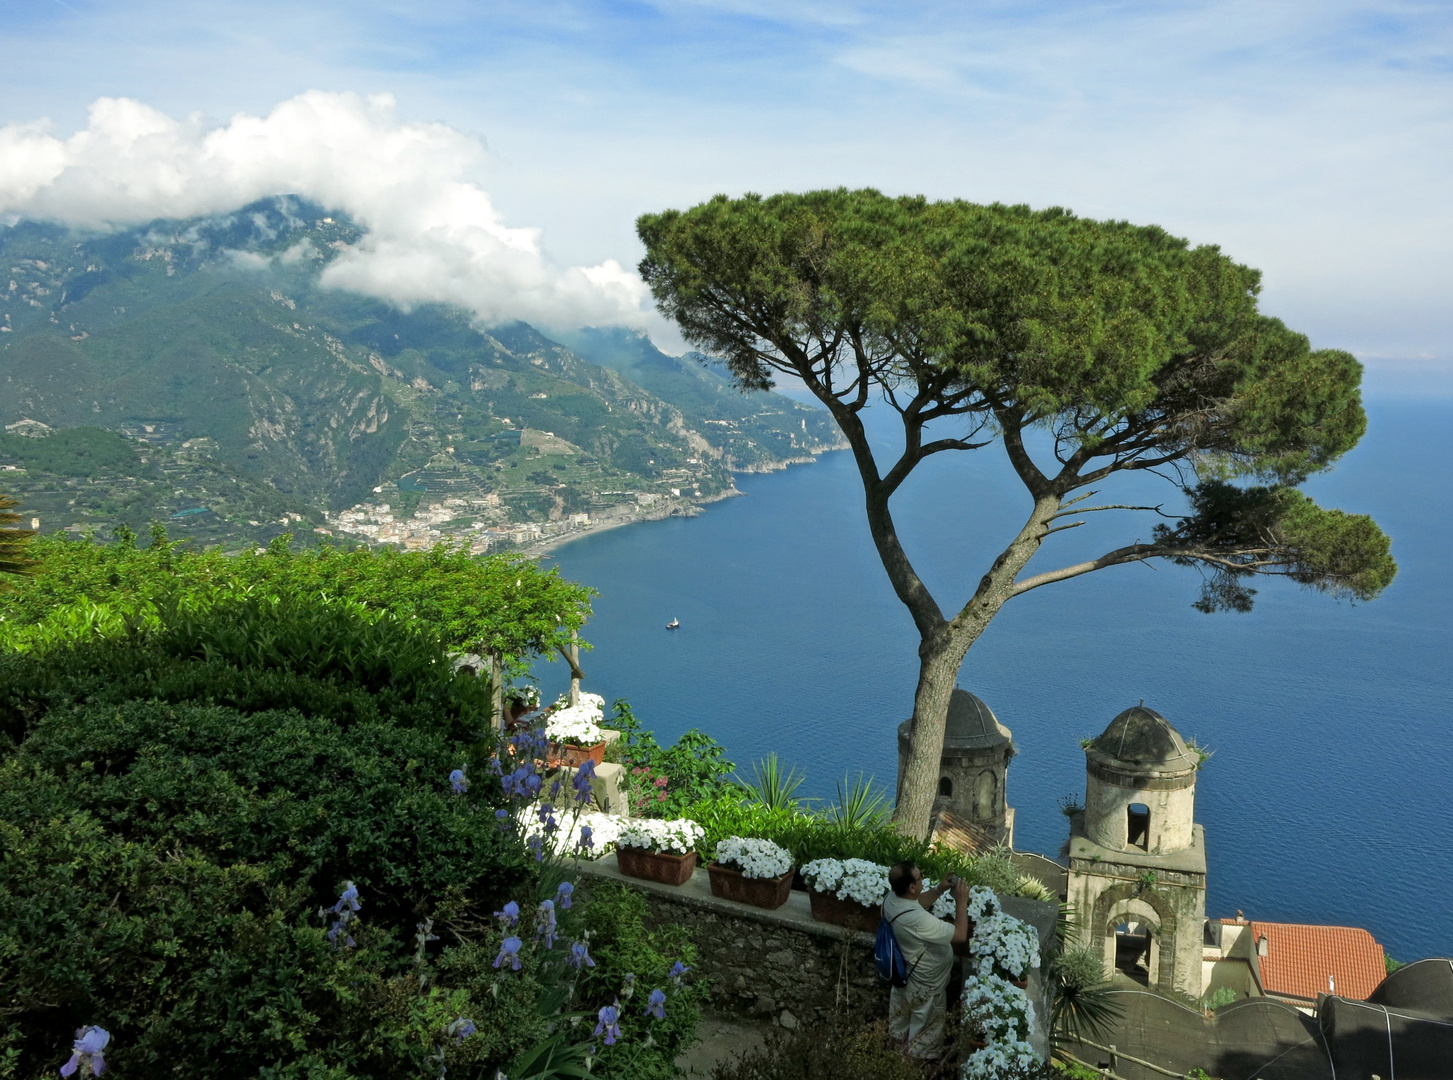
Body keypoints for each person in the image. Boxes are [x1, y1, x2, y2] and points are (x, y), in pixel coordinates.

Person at [882, 861, 970, 1058]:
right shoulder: (918, 921)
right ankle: (909, 1072)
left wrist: (939, 889)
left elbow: (914, 904)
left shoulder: (891, 900)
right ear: (912, 887)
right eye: (920, 877)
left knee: (897, 1030)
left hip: (903, 977)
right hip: (926, 987)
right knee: (923, 1044)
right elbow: (960, 935)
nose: (923, 879)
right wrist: (961, 901)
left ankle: (888, 1067)